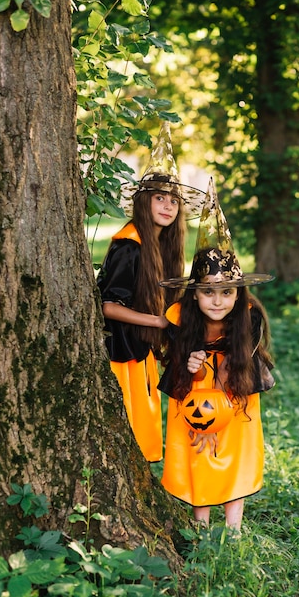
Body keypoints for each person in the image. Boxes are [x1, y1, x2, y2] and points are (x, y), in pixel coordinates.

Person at [158, 177, 275, 532]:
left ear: (238, 295)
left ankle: (234, 527)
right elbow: (178, 367)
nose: (218, 300)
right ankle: (201, 525)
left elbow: (232, 369)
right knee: (197, 450)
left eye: (227, 292)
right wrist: (191, 369)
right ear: (194, 295)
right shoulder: (181, 318)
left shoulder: (247, 317)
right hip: (194, 394)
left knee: (234, 448)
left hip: (235, 387)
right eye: (209, 292)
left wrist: (218, 414)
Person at [96, 122, 205, 462]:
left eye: (174, 201)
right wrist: (158, 323)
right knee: (128, 418)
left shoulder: (159, 246)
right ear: (145, 202)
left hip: (139, 347)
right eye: (160, 198)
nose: (168, 207)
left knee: (142, 420)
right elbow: (108, 307)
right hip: (119, 348)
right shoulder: (130, 245)